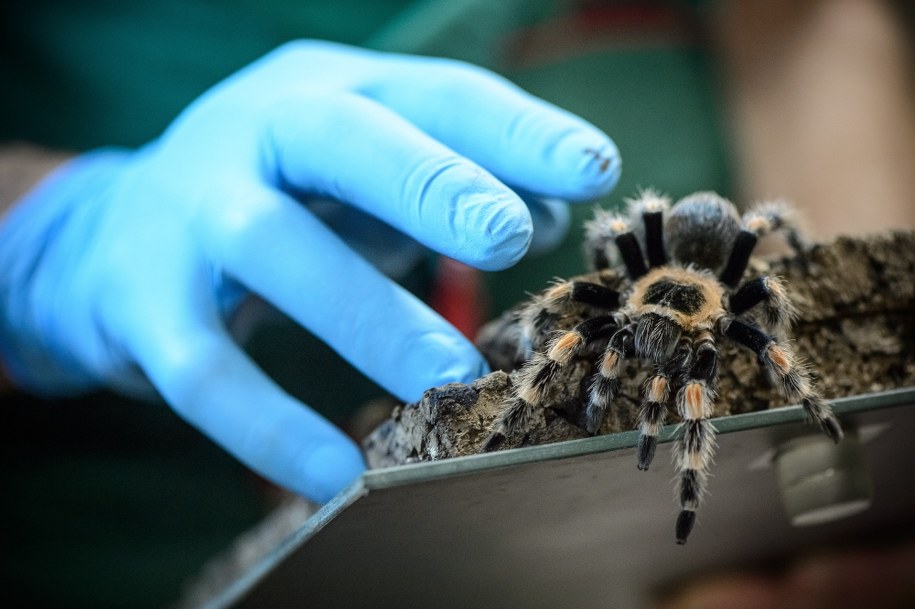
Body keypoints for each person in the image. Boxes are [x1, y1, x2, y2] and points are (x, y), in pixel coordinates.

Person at [3, 1, 914, 608]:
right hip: (144, 517)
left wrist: (864, 455)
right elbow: (591, 281)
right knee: (569, 325)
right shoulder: (618, 296)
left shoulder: (742, 294)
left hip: (673, 546)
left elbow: (805, 21)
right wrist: (39, 241)